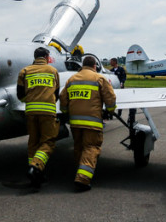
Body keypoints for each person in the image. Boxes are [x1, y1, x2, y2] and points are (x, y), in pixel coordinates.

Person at [59, 55, 117, 192]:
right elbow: (110, 97)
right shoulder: (99, 78)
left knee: (79, 147)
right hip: (92, 122)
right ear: (95, 66)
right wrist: (110, 111)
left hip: (74, 123)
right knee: (91, 147)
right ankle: (83, 179)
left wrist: (65, 111)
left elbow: (63, 98)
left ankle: (80, 171)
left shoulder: (71, 79)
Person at [17, 46, 61, 187]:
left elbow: (20, 95)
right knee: (48, 142)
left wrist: (30, 101)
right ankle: (35, 167)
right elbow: (57, 93)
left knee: (33, 142)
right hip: (47, 112)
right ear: (47, 57)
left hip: (30, 112)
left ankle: (36, 174)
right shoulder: (53, 71)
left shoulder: (25, 71)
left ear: (35, 57)